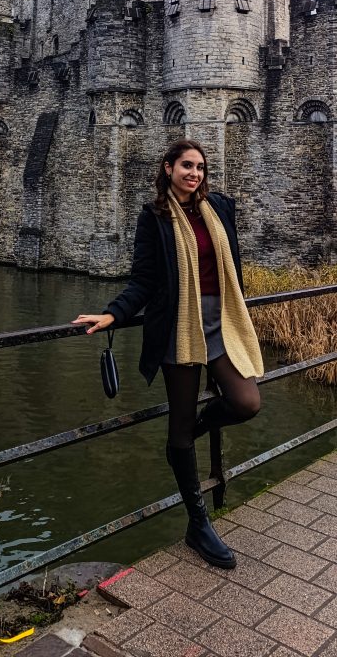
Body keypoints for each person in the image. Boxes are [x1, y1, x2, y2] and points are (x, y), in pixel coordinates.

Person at [72, 139, 263, 570]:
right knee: (178, 432)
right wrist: (112, 315)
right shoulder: (154, 217)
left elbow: (232, 266)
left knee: (246, 401)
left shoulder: (219, 209)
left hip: (221, 323)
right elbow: (142, 281)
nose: (193, 173)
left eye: (199, 167)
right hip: (180, 329)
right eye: (186, 166)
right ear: (168, 168)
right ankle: (198, 522)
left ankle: (192, 432)